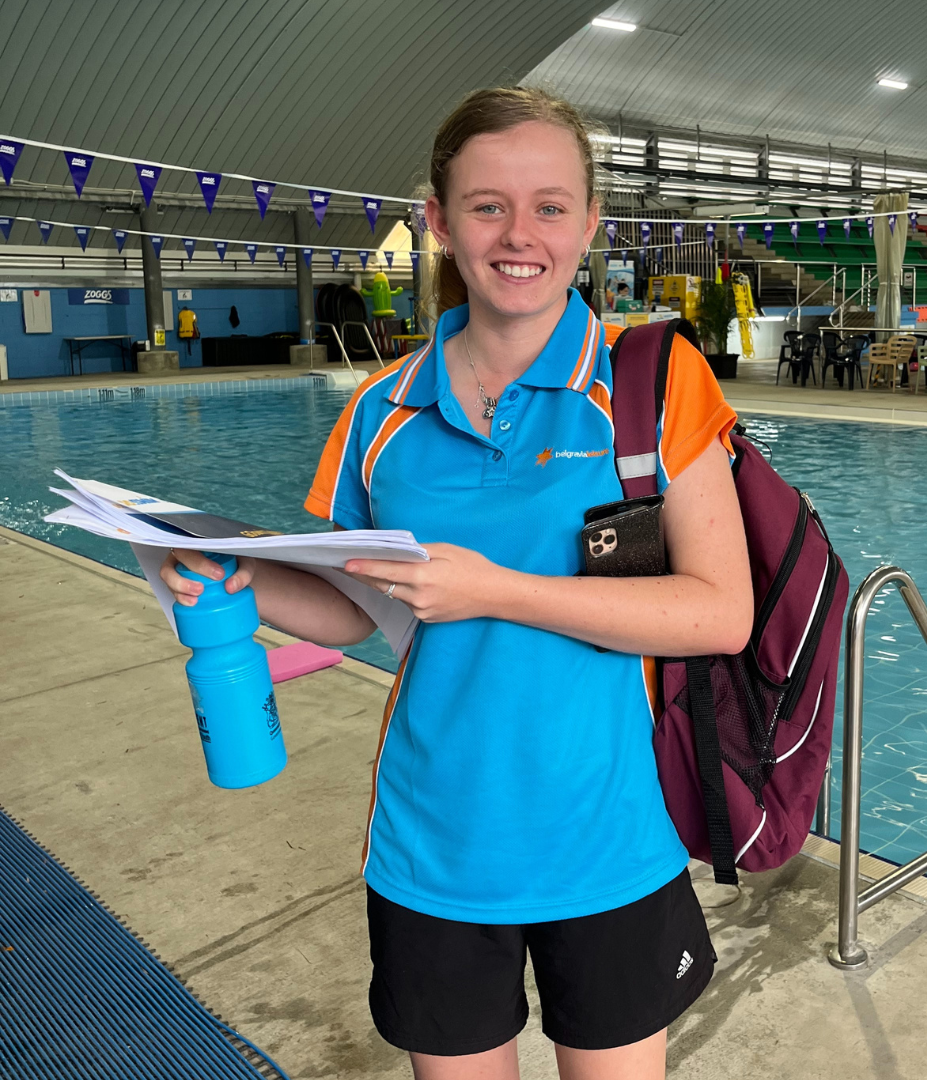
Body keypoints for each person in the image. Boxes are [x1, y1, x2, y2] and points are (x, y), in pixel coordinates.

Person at [161, 86, 752, 1080]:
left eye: (551, 206)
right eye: (488, 206)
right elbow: (357, 610)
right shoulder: (382, 411)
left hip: (605, 838)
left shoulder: (652, 385)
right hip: (434, 844)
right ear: (438, 221)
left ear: (589, 223)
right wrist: (241, 576)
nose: (521, 235)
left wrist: (499, 590)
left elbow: (719, 613)